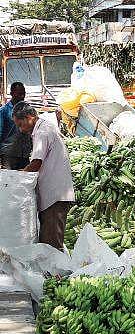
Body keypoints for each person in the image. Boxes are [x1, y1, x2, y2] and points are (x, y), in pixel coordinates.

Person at [12, 102, 75, 250]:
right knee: (48, 239)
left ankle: (57, 273)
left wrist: (18, 178)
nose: (21, 129)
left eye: (21, 124)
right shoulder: (43, 127)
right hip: (53, 194)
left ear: (30, 117)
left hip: (55, 195)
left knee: (51, 244)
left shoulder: (42, 132)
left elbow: (36, 163)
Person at [0, 82, 32, 170]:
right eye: (19, 94)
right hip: (9, 155)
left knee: (24, 180)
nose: (22, 96)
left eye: (23, 93)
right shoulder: (4, 111)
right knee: (10, 180)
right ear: (11, 94)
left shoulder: (28, 109)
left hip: (24, 154)